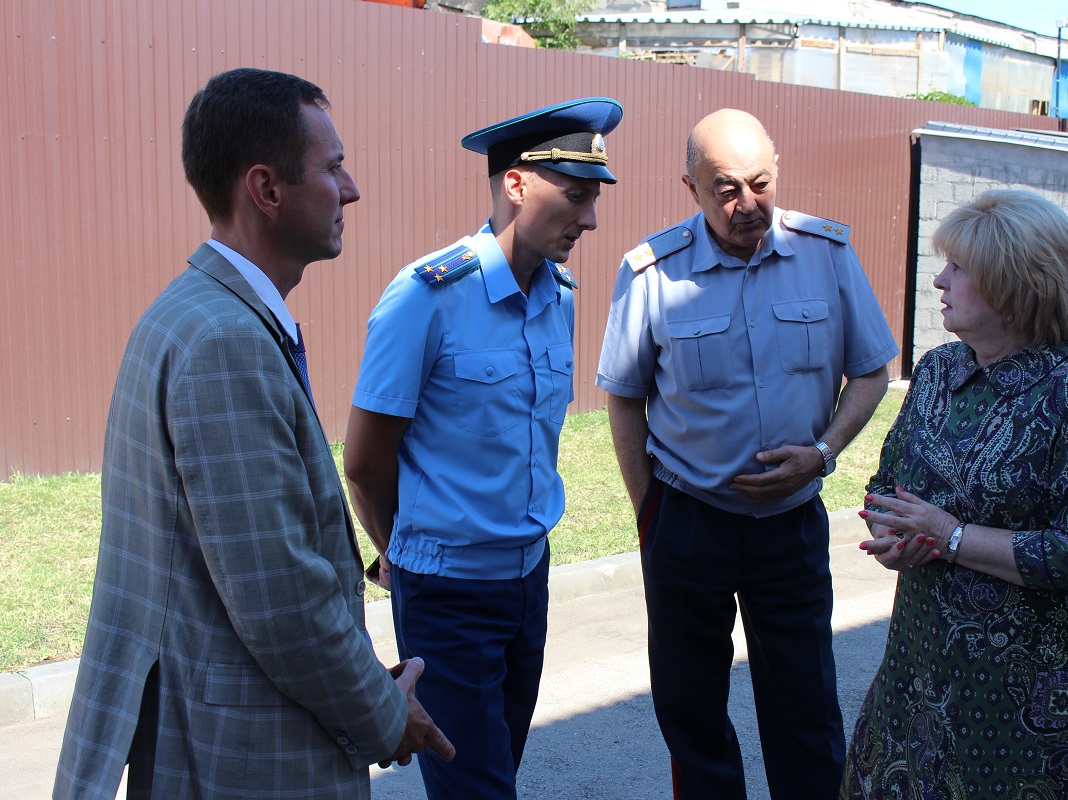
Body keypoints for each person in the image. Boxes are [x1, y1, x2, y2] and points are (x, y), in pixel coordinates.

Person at [53, 68, 453, 800]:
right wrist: (383, 713)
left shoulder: (199, 315)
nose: (352, 189)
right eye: (333, 168)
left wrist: (364, 676)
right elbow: (279, 601)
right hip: (243, 758)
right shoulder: (224, 341)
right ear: (266, 190)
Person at [597, 108, 897, 800]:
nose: (746, 205)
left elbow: (874, 370)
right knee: (691, 708)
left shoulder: (827, 254)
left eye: (759, 184)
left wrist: (823, 453)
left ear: (777, 173)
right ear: (691, 188)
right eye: (725, 189)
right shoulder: (651, 272)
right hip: (690, 520)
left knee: (805, 707)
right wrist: (652, 513)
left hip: (790, 524)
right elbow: (623, 397)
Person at [342, 97, 622, 799]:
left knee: (497, 770)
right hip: (447, 590)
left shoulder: (557, 295)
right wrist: (402, 554)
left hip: (527, 579)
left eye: (594, 199)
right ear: (518, 183)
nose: (590, 220)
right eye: (577, 196)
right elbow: (366, 463)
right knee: (478, 789)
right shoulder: (425, 297)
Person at [843, 189, 1068, 799]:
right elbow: (887, 486)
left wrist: (950, 537)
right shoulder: (937, 371)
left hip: (1039, 707)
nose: (938, 280)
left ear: (1012, 284)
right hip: (923, 675)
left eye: (958, 268)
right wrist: (894, 534)